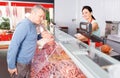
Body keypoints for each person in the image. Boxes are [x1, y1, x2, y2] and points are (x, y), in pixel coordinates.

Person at [7, 5, 46, 78]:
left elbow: (30, 39)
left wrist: (40, 36)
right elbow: (14, 45)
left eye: (42, 17)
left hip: (27, 62)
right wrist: (11, 66)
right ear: (33, 13)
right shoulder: (24, 25)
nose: (41, 19)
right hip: (20, 63)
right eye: (40, 16)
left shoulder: (33, 25)